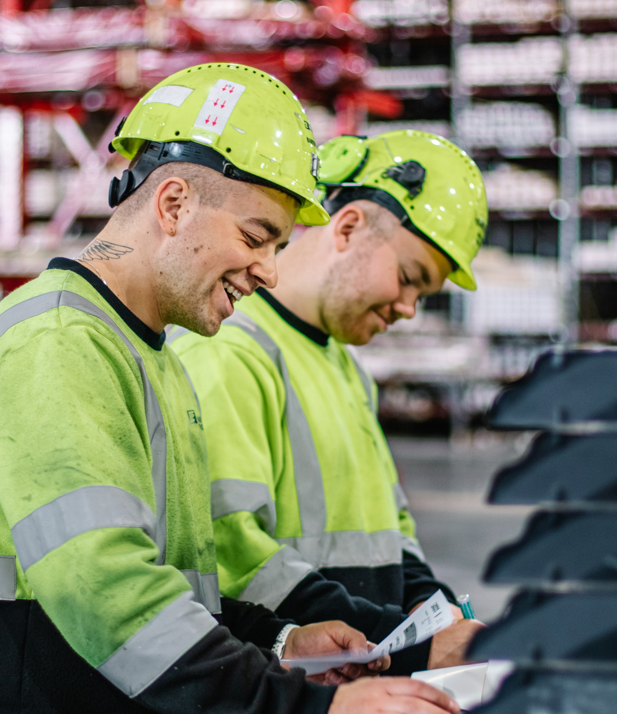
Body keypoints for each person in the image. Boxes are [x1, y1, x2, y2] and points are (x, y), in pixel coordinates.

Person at [0, 65, 459, 714]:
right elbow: (102, 587)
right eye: (257, 235)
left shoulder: (153, 356)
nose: (269, 270)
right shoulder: (57, 344)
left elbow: (175, 578)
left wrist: (279, 639)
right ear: (173, 203)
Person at [171, 130, 488, 676]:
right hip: (289, 684)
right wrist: (400, 643)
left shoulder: (344, 367)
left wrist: (431, 612)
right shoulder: (229, 353)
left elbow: (392, 527)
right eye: (409, 278)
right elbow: (227, 555)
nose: (410, 307)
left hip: (357, 672)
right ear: (347, 227)